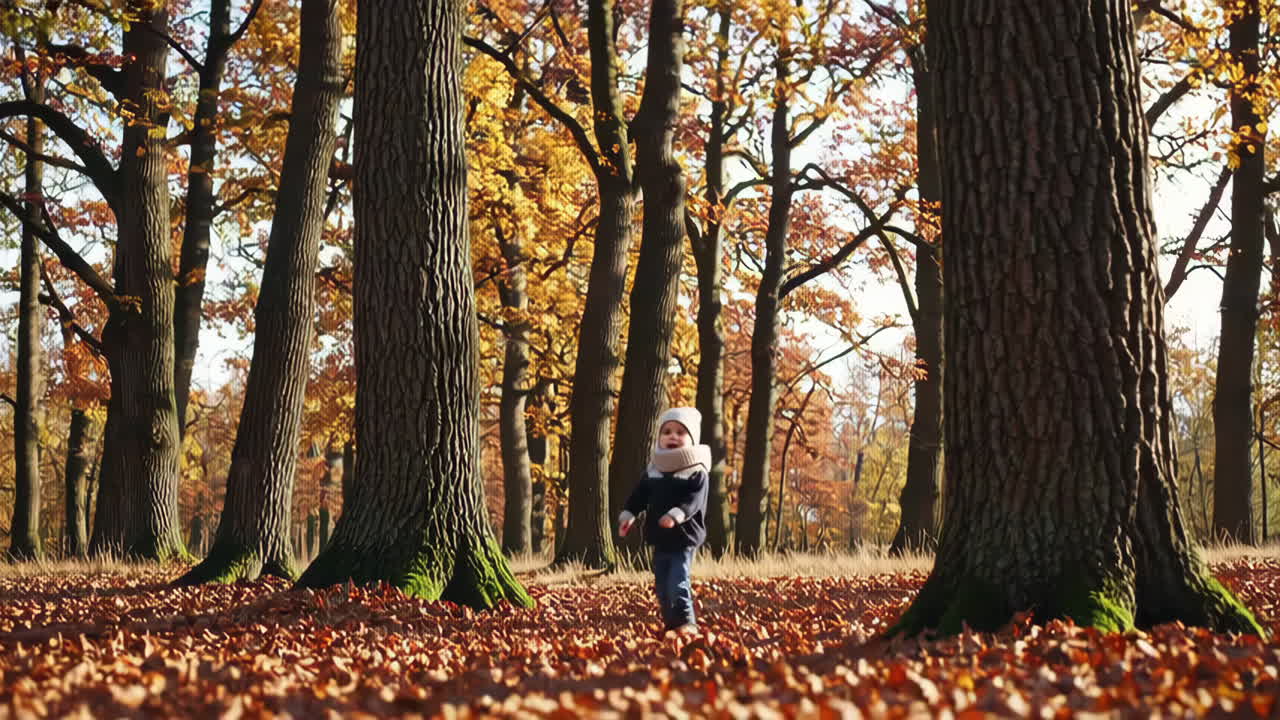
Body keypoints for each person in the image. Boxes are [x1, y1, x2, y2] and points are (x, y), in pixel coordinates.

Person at [618, 407, 711, 633]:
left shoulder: (696, 471)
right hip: (660, 538)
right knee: (661, 585)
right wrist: (629, 514)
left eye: (680, 432)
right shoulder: (654, 470)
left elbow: (694, 501)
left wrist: (675, 515)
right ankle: (672, 624)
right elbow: (639, 496)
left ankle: (687, 623)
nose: (673, 436)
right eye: (667, 431)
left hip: (684, 537)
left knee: (678, 581)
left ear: (692, 439)